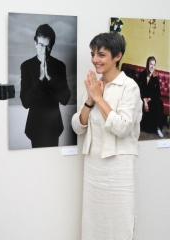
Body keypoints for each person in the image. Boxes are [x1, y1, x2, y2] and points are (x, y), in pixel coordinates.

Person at [71, 32, 142, 240]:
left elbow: (122, 127)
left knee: (120, 223)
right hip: (94, 166)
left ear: (118, 56)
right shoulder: (95, 85)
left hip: (120, 167)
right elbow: (78, 126)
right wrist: (90, 100)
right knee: (93, 223)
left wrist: (98, 98)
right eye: (93, 54)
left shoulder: (130, 87)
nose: (95, 60)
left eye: (101, 55)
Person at [20, 24, 71, 148]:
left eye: (48, 46)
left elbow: (65, 99)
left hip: (54, 126)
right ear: (36, 43)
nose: (44, 50)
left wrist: (49, 79)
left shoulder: (59, 66)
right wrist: (40, 79)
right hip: (34, 126)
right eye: (41, 45)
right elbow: (25, 102)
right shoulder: (26, 66)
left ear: (52, 46)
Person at [137, 56, 164, 138]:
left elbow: (157, 93)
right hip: (142, 98)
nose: (152, 67)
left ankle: (157, 128)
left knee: (160, 103)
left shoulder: (155, 77)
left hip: (151, 99)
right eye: (151, 64)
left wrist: (148, 100)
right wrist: (144, 101)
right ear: (147, 64)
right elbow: (138, 90)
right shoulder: (142, 75)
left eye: (154, 65)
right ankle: (138, 127)